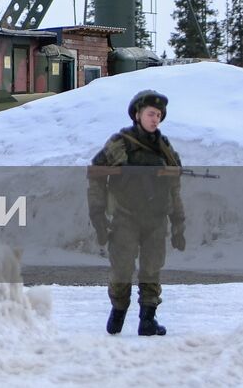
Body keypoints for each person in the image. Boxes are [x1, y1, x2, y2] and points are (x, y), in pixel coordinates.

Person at [87, 89, 186, 337]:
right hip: (126, 217)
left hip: (155, 219)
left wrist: (178, 224)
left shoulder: (165, 148)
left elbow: (174, 187)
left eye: (159, 115)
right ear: (138, 114)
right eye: (151, 114)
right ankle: (119, 310)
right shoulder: (120, 144)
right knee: (121, 268)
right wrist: (98, 217)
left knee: (152, 269)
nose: (156, 119)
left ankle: (148, 319)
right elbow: (96, 176)